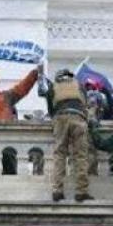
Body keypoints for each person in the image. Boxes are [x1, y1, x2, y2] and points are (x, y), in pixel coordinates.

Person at [40, 68, 93, 202]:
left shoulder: (53, 87)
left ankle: (57, 191)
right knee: (81, 155)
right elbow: (85, 104)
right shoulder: (79, 85)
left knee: (59, 154)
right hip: (78, 117)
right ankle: (81, 191)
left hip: (61, 117)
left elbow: (51, 110)